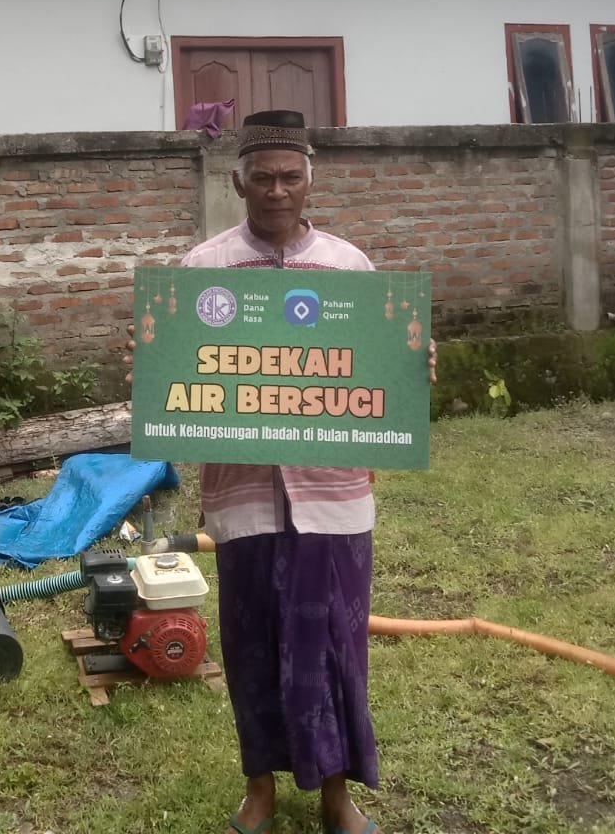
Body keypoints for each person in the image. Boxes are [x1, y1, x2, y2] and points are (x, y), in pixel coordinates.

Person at [175, 109, 434, 834]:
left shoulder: (351, 269)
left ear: (310, 178)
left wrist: (413, 368)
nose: (278, 190)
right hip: (245, 497)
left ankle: (335, 795)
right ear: (239, 181)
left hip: (335, 497)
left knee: (336, 648)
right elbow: (183, 375)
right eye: (263, 177)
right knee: (251, 642)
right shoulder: (204, 270)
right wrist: (160, 365)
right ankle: (258, 787)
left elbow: (381, 369)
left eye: (291, 176)